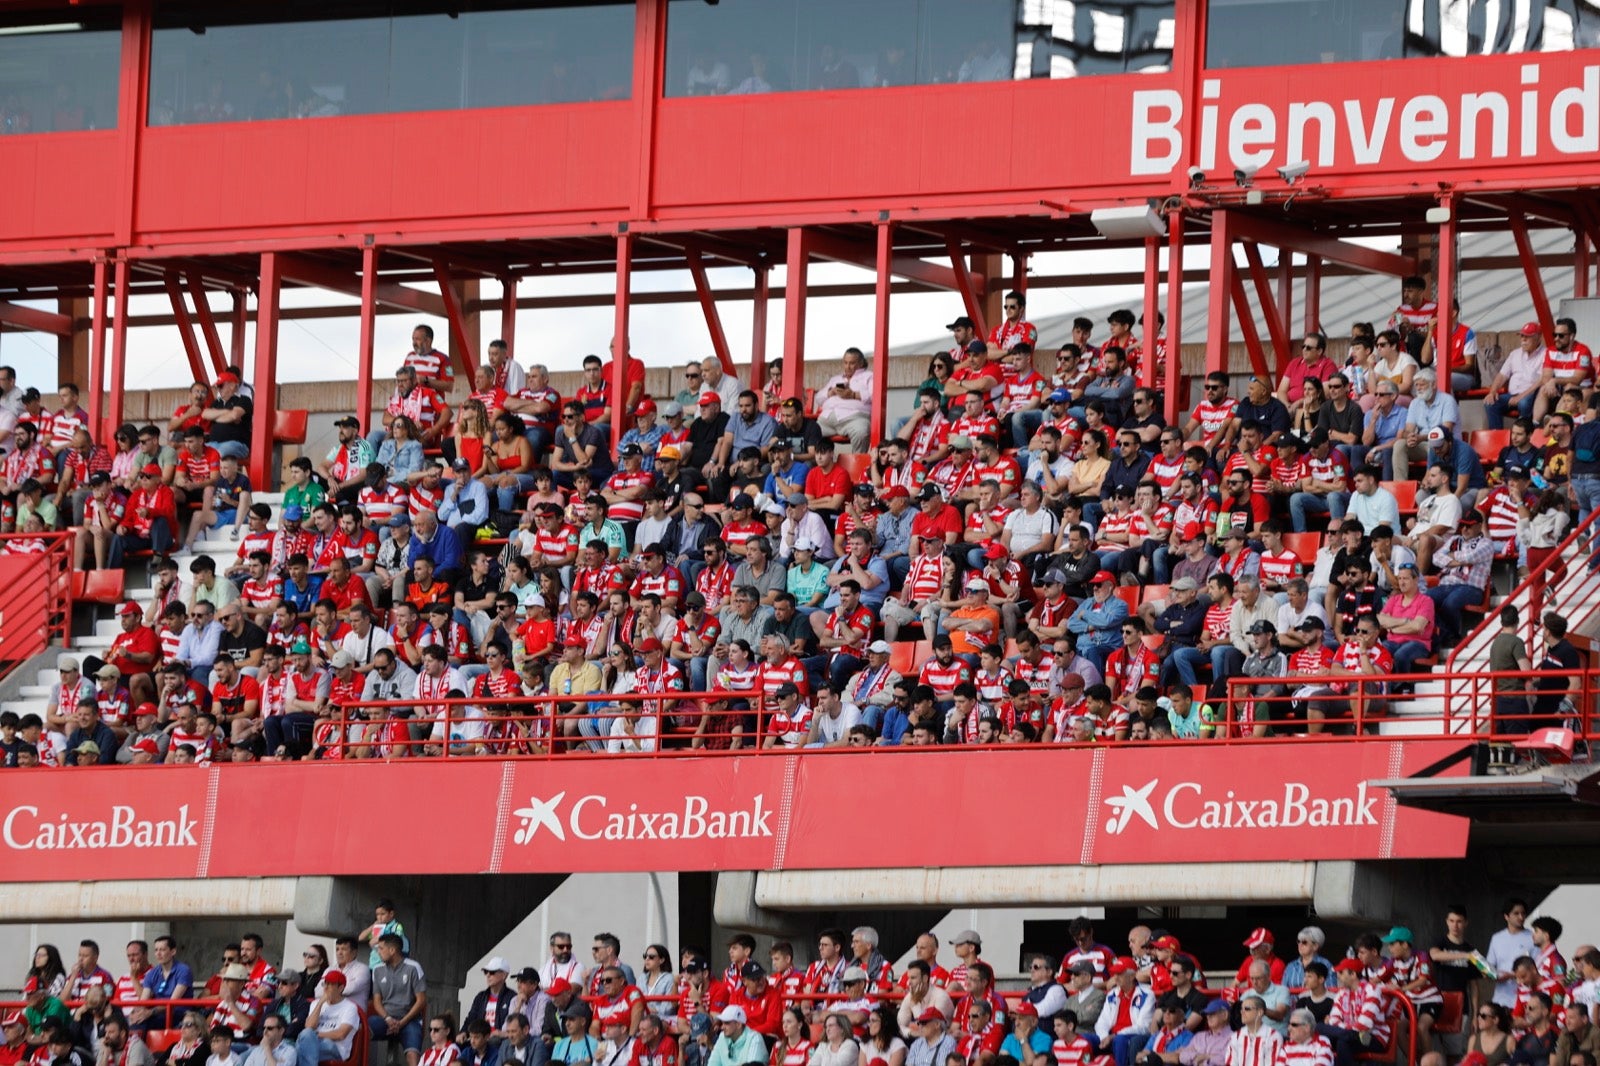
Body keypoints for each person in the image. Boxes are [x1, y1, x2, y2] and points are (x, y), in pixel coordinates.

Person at [294, 972, 359, 1066]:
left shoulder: (350, 1007)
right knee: (303, 1044)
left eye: (331, 984)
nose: (326, 987)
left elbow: (340, 1034)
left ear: (340, 988)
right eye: (325, 983)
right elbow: (309, 1026)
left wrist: (315, 1035)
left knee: (300, 1046)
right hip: (313, 1042)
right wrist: (320, 1003)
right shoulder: (316, 1003)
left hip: (335, 1048)